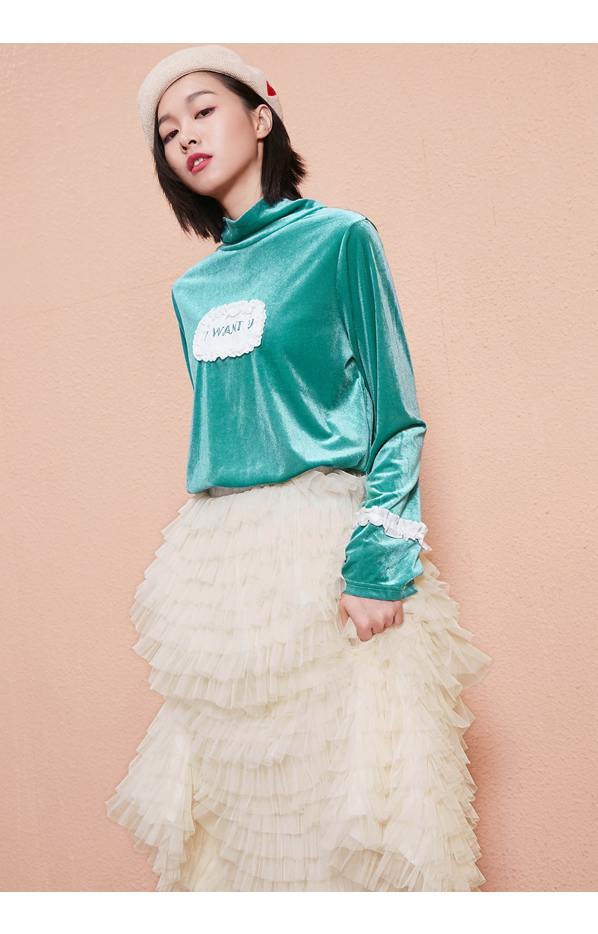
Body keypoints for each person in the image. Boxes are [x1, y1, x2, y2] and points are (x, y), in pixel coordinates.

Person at [105, 44, 492, 892]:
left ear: (260, 117)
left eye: (202, 110)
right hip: (223, 571)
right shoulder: (191, 292)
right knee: (247, 818)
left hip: (327, 549)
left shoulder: (340, 240)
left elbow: (397, 417)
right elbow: (234, 428)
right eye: (167, 132)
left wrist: (377, 565)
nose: (185, 136)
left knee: (353, 807)